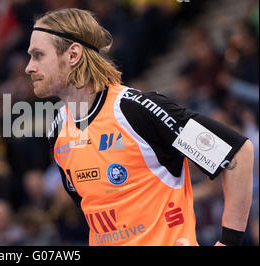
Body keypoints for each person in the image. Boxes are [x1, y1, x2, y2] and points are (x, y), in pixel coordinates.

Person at [24, 8, 254, 246]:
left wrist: (228, 242)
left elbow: (237, 154)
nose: (29, 67)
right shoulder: (58, 129)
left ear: (73, 55)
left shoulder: (133, 110)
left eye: (38, 55)